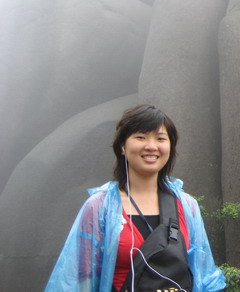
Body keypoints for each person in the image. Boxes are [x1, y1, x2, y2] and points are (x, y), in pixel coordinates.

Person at [45, 104, 226, 292]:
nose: (151, 146)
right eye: (141, 137)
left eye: (160, 138)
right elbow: (76, 280)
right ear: (122, 146)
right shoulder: (100, 206)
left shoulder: (187, 205)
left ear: (170, 147)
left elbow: (204, 275)